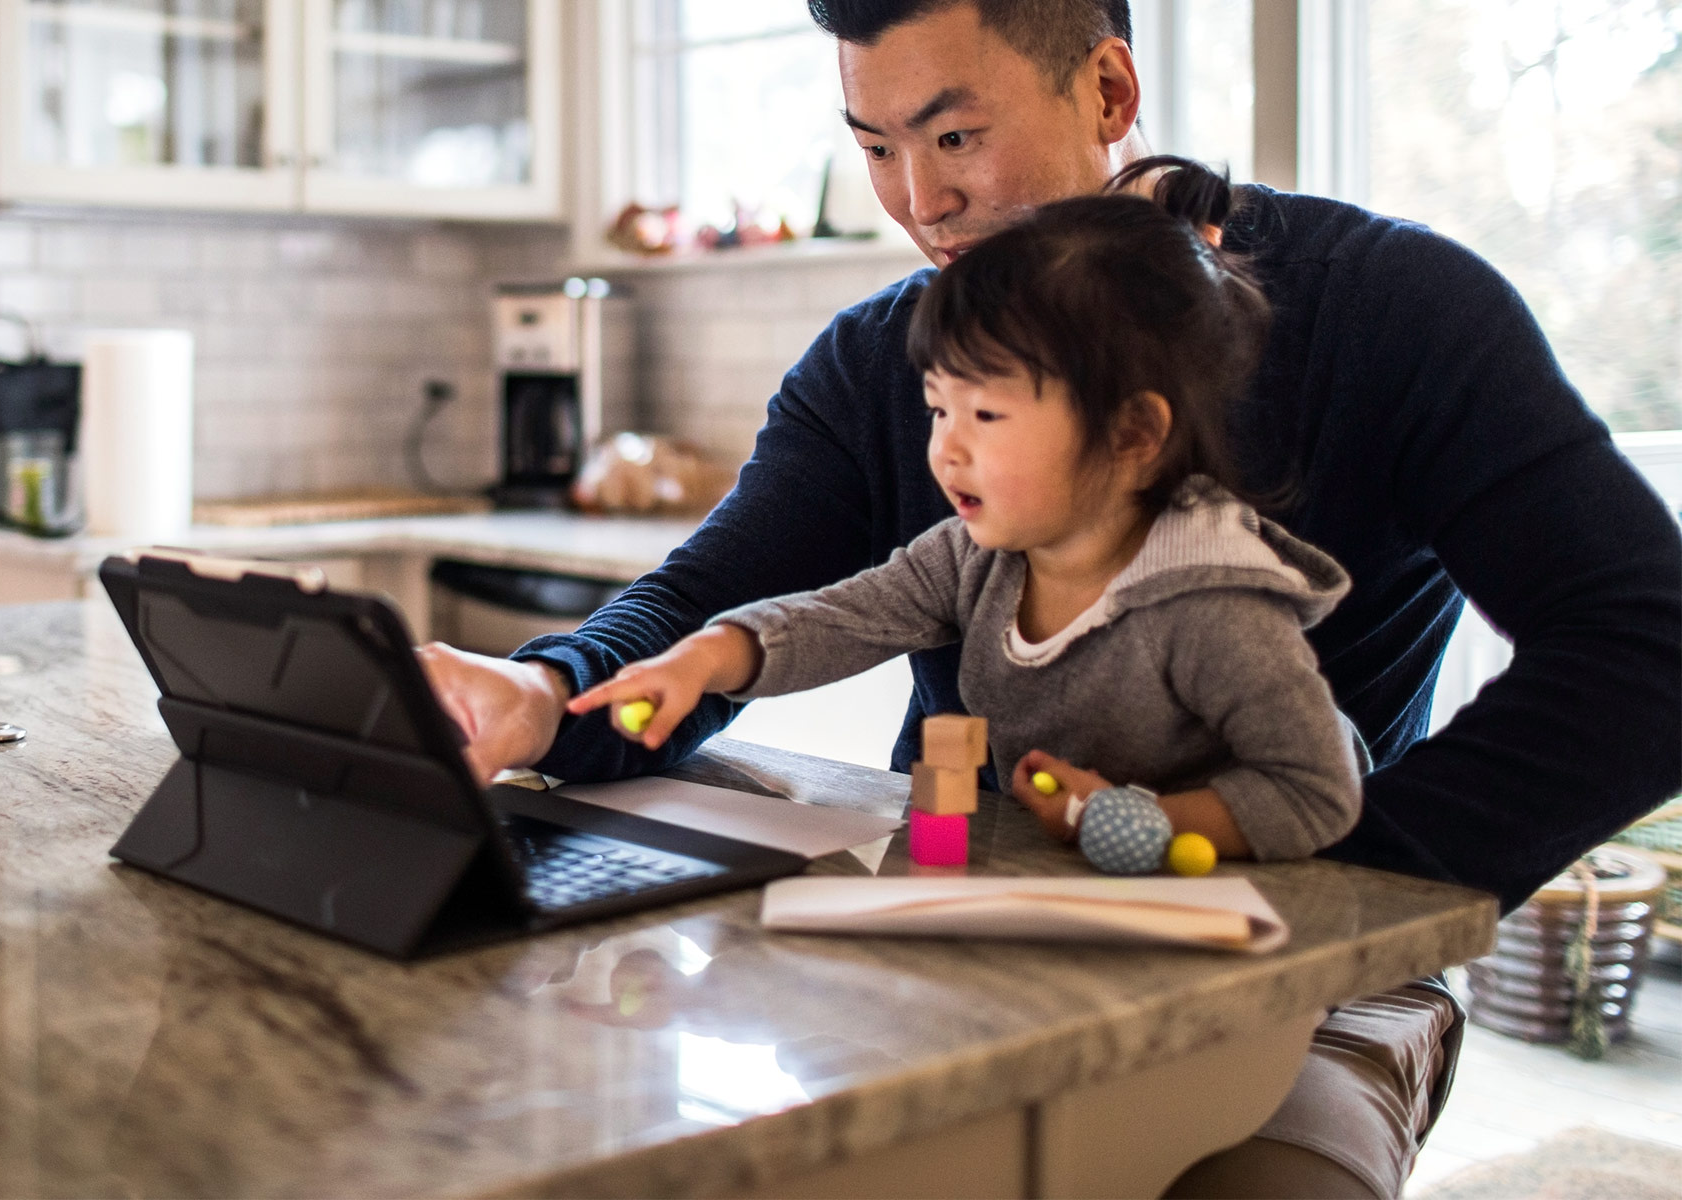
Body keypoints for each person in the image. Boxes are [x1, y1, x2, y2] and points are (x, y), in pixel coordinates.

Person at [417, 0, 1682, 1192]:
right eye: (876, 148)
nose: (923, 203)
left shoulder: (1393, 312)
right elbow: (709, 608)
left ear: (1110, 87)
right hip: (952, 915)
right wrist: (544, 693)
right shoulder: (878, 366)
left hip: (1303, 968)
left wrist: (1342, 893)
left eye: (957, 136)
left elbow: (1649, 647)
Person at [567, 159, 1366, 863]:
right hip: (1062, 910)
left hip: (1220, 941)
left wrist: (1140, 822)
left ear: (1132, 434)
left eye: (984, 417)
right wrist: (707, 658)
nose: (945, 450)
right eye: (938, 410)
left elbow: (1316, 790)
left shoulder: (1212, 608)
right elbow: (836, 621)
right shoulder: (975, 558)